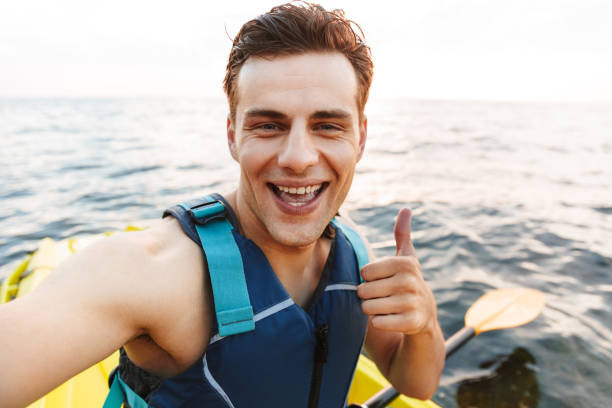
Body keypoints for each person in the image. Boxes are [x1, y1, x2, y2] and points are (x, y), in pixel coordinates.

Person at [0, 2, 444, 407]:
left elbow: (418, 384)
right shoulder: (159, 273)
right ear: (232, 135)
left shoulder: (353, 248)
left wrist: (423, 324)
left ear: (360, 137)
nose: (298, 157)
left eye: (327, 125)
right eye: (269, 125)